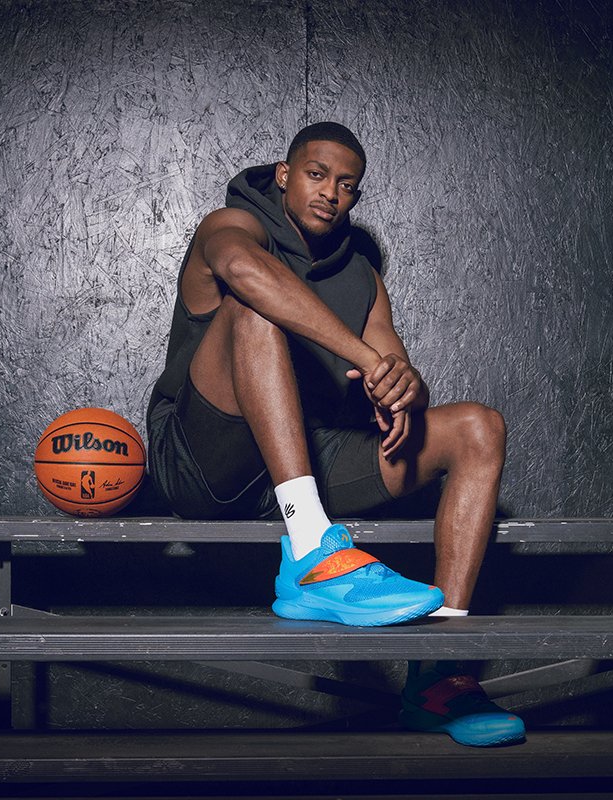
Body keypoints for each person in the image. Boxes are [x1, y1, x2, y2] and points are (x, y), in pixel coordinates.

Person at [146, 122, 523, 746]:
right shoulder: (231, 224)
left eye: (346, 185)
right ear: (285, 175)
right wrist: (365, 358)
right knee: (254, 302)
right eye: (317, 175)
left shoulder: (362, 276)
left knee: (479, 428)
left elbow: (394, 364)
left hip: (307, 452)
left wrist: (401, 383)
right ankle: (312, 547)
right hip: (202, 459)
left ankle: (440, 674)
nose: (330, 193)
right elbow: (242, 270)